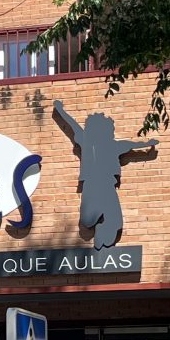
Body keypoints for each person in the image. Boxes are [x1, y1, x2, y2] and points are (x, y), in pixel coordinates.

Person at [53, 101, 156, 246]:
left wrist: (147, 144)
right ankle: (95, 222)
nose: (112, 133)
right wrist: (60, 111)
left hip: (105, 186)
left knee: (113, 220)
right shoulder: (89, 141)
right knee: (88, 220)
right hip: (94, 186)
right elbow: (72, 124)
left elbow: (131, 145)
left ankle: (102, 234)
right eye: (110, 130)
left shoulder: (110, 144)